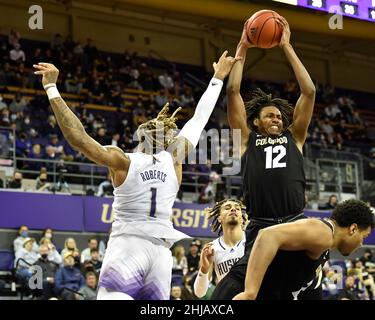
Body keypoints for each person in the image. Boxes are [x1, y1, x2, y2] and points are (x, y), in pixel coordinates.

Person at [34, 51, 240, 300]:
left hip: (137, 247)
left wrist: (52, 88)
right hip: (153, 250)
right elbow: (198, 120)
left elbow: (80, 140)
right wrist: (217, 79)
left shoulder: (131, 160)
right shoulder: (156, 159)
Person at [211, 16, 316, 300]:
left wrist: (287, 46)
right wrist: (242, 46)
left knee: (301, 291)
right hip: (260, 225)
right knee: (232, 290)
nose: (277, 119)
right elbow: (232, 91)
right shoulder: (247, 140)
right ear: (255, 121)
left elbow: (309, 91)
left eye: (279, 116)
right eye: (270, 115)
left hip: (295, 222)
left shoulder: (295, 137)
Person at [232, 199, 374, 300]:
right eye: (364, 236)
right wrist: (250, 292)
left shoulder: (325, 244)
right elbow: (267, 235)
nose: (361, 244)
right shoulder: (325, 233)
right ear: (353, 228)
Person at [194, 199, 246, 298]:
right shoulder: (212, 248)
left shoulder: (252, 240)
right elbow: (199, 293)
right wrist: (204, 268)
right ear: (219, 218)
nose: (233, 209)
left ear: (241, 219)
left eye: (237, 208)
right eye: (227, 208)